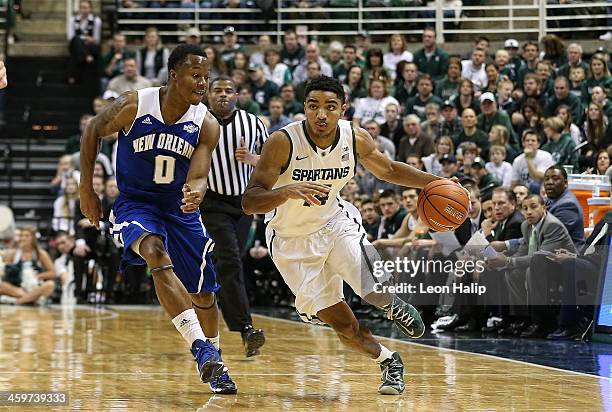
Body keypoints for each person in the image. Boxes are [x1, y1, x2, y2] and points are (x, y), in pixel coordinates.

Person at [242, 76, 465, 395]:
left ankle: (390, 303)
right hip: (291, 242)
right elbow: (250, 201)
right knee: (344, 326)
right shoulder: (282, 142)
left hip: (335, 223)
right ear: (304, 108)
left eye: (330, 107)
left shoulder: (353, 137)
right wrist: (288, 190)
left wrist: (434, 182)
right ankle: (389, 361)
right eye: (314, 106)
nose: (321, 114)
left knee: (369, 288)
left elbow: (388, 170)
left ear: (342, 110)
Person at [78, 44, 236, 394]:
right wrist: (86, 189)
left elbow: (199, 173)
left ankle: (216, 359)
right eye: (196, 76)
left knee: (203, 293)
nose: (203, 84)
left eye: (207, 78)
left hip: (178, 208)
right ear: (174, 75)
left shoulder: (206, 123)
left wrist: (197, 191)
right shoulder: (135, 104)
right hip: (136, 203)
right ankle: (200, 348)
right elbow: (92, 130)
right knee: (155, 253)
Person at [201, 75, 268, 358]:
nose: (223, 95)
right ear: (208, 95)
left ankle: (221, 313)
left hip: (243, 204)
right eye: (218, 91)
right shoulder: (198, 122)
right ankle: (246, 328)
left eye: (229, 91)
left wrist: (253, 160)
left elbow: (273, 163)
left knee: (230, 263)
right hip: (211, 202)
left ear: (238, 95)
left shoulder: (254, 124)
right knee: (229, 259)